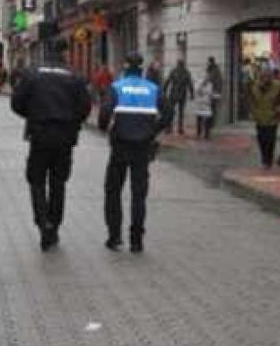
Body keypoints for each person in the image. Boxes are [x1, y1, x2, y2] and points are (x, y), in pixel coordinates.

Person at [11, 40, 93, 251]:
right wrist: (71, 120)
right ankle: (54, 225)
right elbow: (85, 107)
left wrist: (33, 115)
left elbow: (16, 103)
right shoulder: (74, 75)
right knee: (58, 182)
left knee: (36, 180)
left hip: (39, 134)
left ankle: (43, 222)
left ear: (46, 52)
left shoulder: (32, 73)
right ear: (65, 53)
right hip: (65, 136)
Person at [98, 52, 172, 253]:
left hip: (120, 145)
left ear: (125, 67)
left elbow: (104, 114)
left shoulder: (117, 87)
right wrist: (152, 130)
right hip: (142, 147)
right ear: (141, 68)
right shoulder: (153, 89)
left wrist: (106, 128)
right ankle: (136, 240)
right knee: (138, 194)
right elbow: (168, 113)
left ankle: (114, 237)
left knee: (113, 190)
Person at [248, 67, 280, 168]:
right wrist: (253, 112)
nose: (265, 79)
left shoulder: (278, 86)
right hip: (259, 118)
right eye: (263, 77)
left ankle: (268, 160)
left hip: (272, 118)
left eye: (268, 76)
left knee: (270, 140)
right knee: (261, 139)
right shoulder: (255, 86)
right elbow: (251, 100)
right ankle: (264, 159)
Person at [163, 59, 194, 135]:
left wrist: (164, 91)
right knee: (180, 112)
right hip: (182, 94)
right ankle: (179, 128)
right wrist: (192, 94)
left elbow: (167, 81)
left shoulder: (174, 71)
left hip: (174, 94)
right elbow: (190, 84)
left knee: (171, 111)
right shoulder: (186, 72)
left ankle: (169, 128)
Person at [194, 73, 215, 139]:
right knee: (199, 119)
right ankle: (198, 133)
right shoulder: (198, 83)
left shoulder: (210, 84)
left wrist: (210, 95)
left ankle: (206, 134)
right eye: (206, 78)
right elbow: (197, 90)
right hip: (200, 104)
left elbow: (210, 93)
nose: (206, 79)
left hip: (206, 104)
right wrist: (201, 85)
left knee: (207, 119)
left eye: (208, 78)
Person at [206, 57, 223, 129]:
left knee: (212, 107)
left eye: (209, 62)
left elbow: (211, 79)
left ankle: (211, 123)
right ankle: (210, 122)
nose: (208, 63)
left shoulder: (215, 70)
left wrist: (218, 91)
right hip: (210, 91)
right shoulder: (211, 69)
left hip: (214, 91)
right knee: (210, 107)